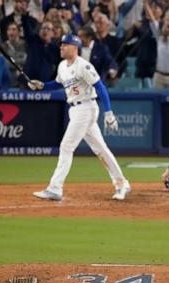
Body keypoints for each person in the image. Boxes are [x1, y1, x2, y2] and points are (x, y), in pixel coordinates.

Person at [27, 34, 131, 201]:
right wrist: (42, 86)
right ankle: (122, 183)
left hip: (86, 108)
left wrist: (109, 113)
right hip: (75, 109)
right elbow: (58, 83)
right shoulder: (62, 66)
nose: (61, 47)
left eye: (65, 45)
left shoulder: (83, 65)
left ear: (75, 48)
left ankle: (55, 188)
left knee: (66, 146)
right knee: (101, 149)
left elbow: (101, 87)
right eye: (61, 44)